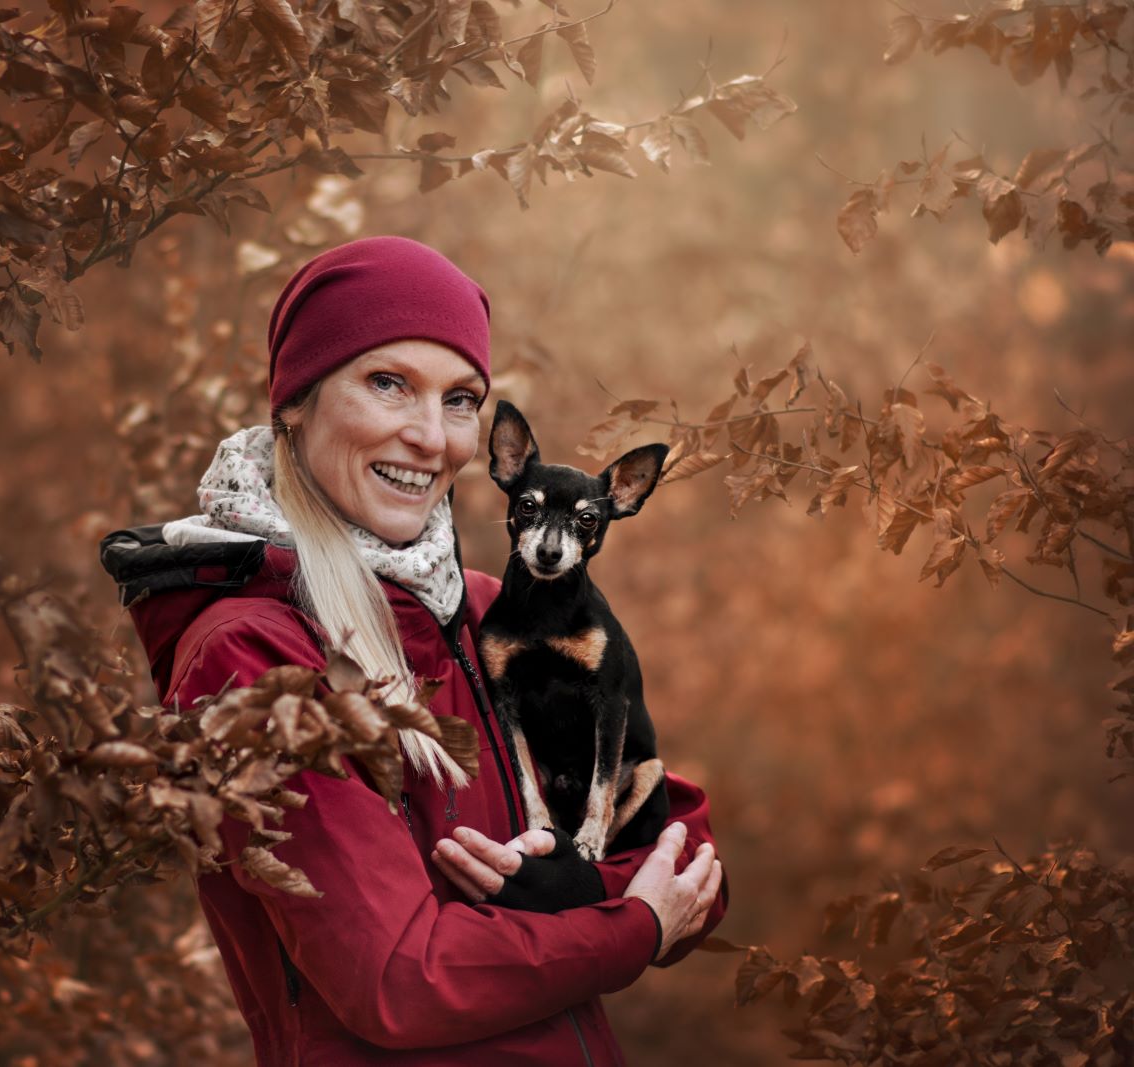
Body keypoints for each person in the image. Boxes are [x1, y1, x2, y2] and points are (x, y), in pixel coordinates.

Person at [100, 235, 727, 1065]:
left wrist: (578, 887)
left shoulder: (489, 610)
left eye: (460, 398)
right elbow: (397, 977)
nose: (431, 437)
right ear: (295, 401)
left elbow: (684, 846)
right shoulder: (251, 655)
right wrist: (627, 924)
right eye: (388, 383)